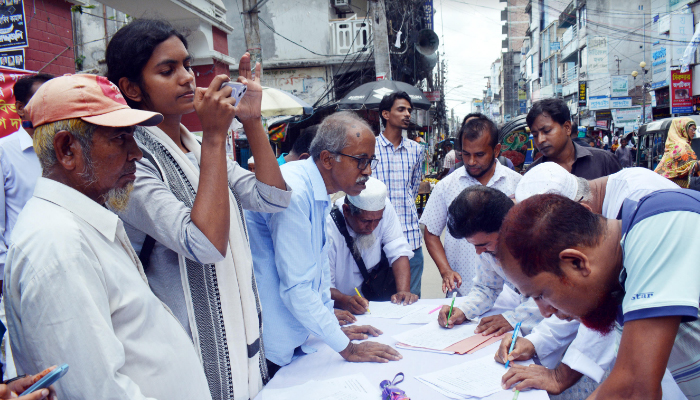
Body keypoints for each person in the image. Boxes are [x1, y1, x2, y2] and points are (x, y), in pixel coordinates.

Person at [106, 19, 291, 398]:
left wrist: (252, 121)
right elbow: (205, 245)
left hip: (241, 332)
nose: (187, 78)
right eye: (167, 70)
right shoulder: (133, 160)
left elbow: (272, 198)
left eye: (187, 65)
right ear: (131, 88)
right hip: (186, 349)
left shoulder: (199, 145)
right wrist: (217, 137)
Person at [6, 73, 213, 399]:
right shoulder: (59, 244)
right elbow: (99, 392)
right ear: (66, 149)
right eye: (120, 138)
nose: (137, 153)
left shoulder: (78, 226)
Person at [497, 162, 680, 397]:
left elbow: (635, 382)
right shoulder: (610, 249)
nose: (545, 312)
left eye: (541, 295)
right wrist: (539, 339)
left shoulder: (654, 219)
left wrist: (561, 374)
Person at [246, 111, 402, 379]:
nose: (368, 171)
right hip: (274, 341)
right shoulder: (295, 191)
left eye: (370, 161)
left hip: (298, 334)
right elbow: (297, 288)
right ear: (328, 159)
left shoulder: (317, 190)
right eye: (360, 161)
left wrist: (330, 325)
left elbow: (317, 272)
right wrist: (348, 349)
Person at [420, 115, 521, 300]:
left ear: (496, 150)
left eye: (479, 154)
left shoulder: (518, 184)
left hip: (511, 294)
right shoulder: (447, 185)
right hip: (461, 292)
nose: (472, 161)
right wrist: (445, 271)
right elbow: (431, 232)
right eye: (466, 154)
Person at [0, 73, 53, 380]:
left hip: (64, 264)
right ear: (20, 108)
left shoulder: (67, 146)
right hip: (20, 278)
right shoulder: (5, 153)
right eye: (40, 99)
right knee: (28, 368)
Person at [436, 186, 541, 336]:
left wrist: (514, 319)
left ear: (508, 228)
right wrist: (464, 310)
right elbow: (487, 287)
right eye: (474, 245)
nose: (478, 252)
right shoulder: (488, 246)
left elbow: (554, 296)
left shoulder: (540, 239)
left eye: (483, 245)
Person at [327, 176, 417, 314]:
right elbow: (324, 285)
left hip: (375, 298)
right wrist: (345, 301)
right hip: (341, 304)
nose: (372, 227)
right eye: (366, 221)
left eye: (377, 221)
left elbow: (398, 251)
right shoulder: (328, 227)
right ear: (346, 211)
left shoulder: (383, 208)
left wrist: (403, 292)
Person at [374, 92, 425, 296]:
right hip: (376, 239)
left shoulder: (416, 150)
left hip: (410, 237)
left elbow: (412, 189)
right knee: (379, 303)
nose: (407, 114)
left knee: (412, 301)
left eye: (409, 110)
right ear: (386, 114)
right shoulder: (370, 147)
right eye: (401, 109)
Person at [527, 98, 621, 179]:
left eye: (547, 131)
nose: (540, 140)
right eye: (535, 135)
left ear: (567, 128)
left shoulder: (604, 161)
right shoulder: (532, 174)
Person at [654, 117, 698, 188]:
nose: (694, 132)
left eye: (695, 129)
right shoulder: (682, 146)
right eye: (692, 129)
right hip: (680, 187)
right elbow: (688, 168)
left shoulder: (672, 145)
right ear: (683, 129)